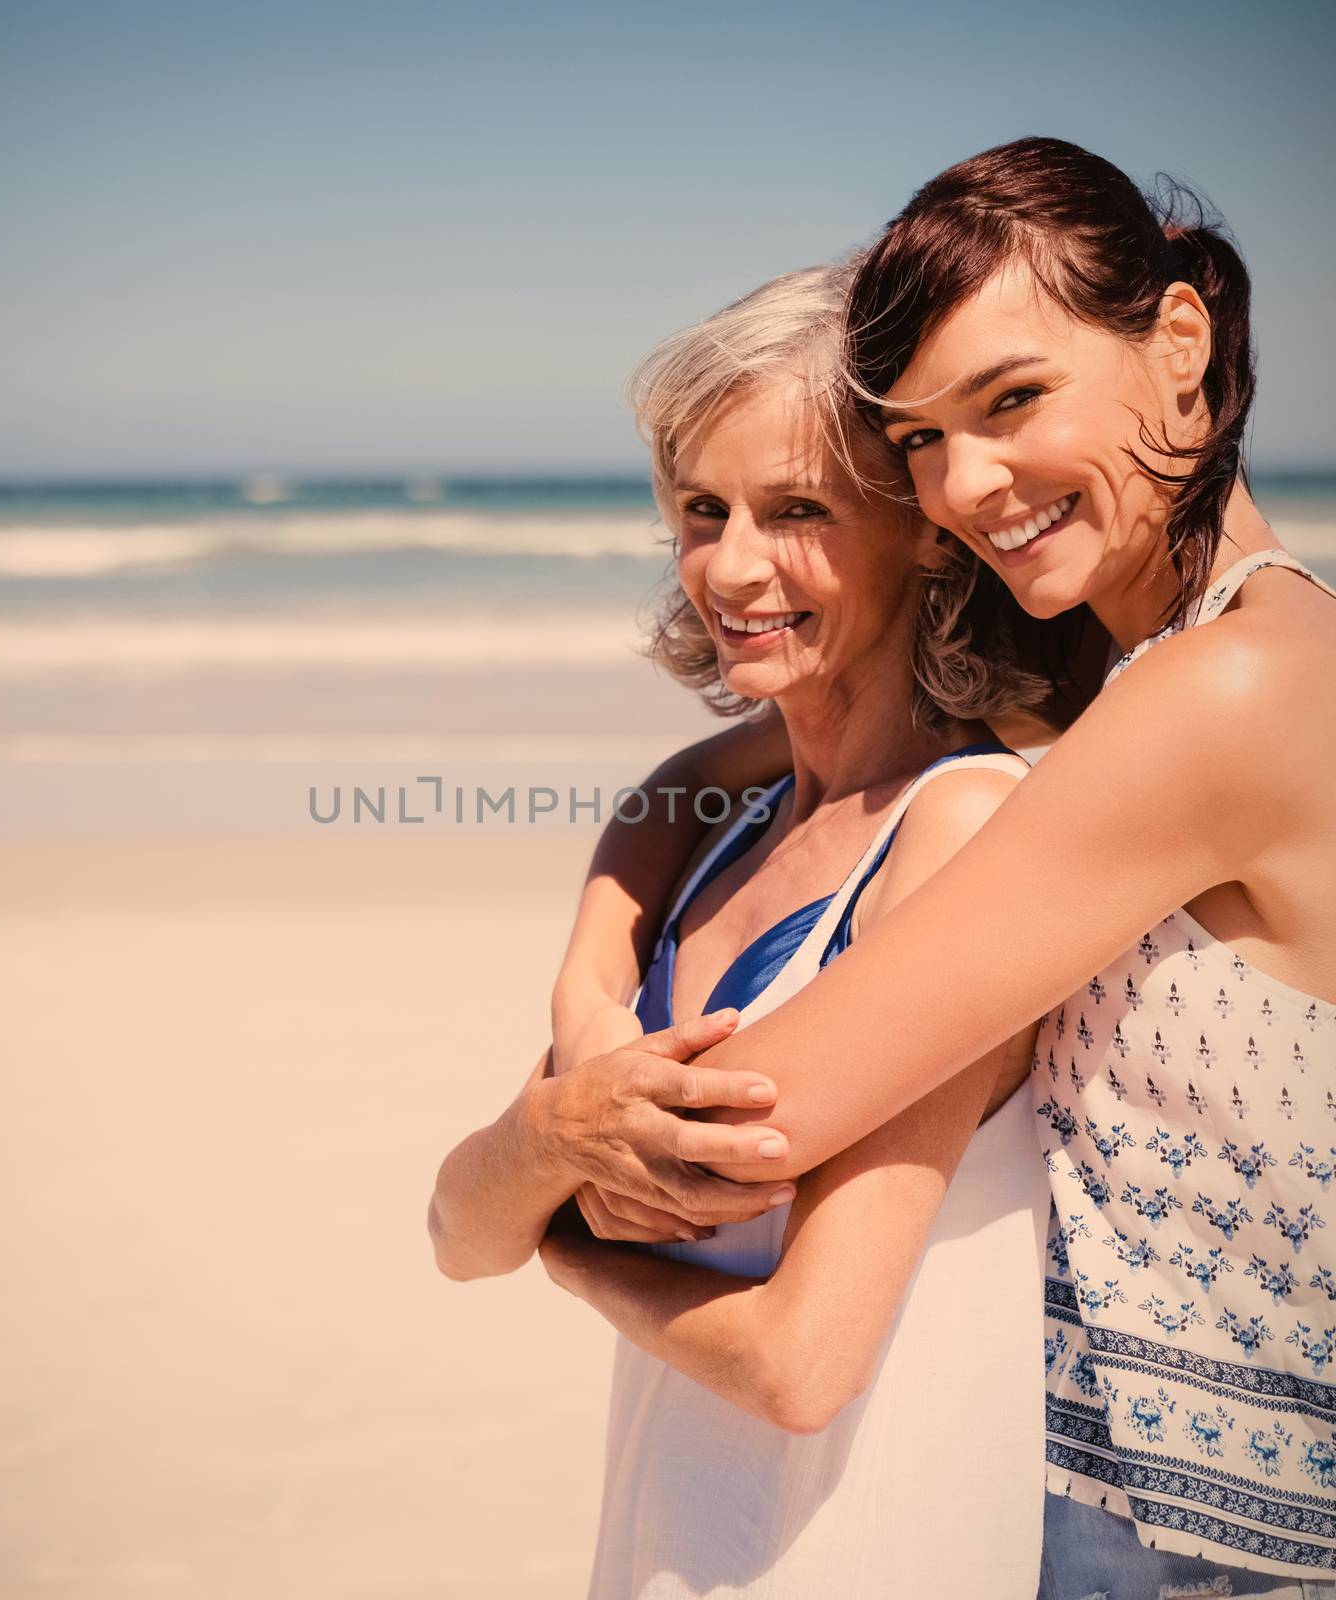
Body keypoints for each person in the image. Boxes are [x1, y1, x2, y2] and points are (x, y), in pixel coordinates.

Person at [550, 138, 1336, 1591]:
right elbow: (739, 764)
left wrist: (547, 1212)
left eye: (1014, 400)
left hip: (1223, 1547)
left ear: (1180, 340)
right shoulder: (1155, 672)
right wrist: (598, 961)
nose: (967, 484)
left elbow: (752, 1132)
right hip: (1142, 1509)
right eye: (918, 441)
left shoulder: (1216, 696)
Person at [430, 263, 1060, 1597]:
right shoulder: (702, 827)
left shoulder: (959, 833)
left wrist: (572, 1246)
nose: (730, 566)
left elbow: (798, 1363)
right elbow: (455, 1229)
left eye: (798, 512)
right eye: (702, 510)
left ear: (934, 529)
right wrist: (550, 1141)